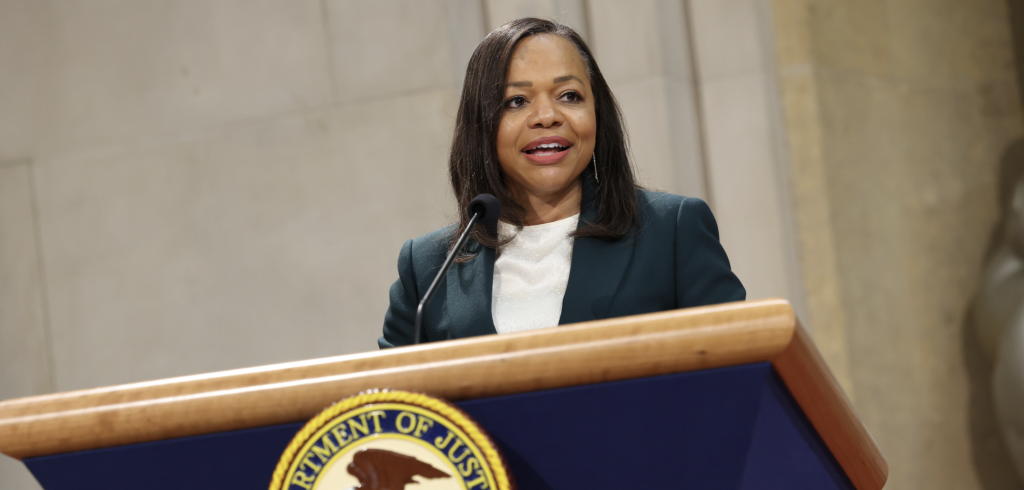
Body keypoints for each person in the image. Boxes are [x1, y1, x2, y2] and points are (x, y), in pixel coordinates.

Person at [379, 18, 744, 348]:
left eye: (569, 96)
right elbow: (386, 407)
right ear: (482, 125)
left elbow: (738, 367)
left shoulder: (670, 231)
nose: (547, 117)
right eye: (516, 101)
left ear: (597, 113)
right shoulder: (427, 267)